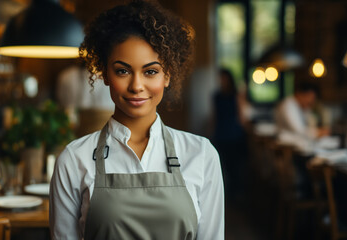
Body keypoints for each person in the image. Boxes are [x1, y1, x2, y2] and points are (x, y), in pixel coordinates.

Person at [49, 1, 224, 240]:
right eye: (123, 71)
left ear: (167, 75)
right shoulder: (73, 160)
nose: (136, 86)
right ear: (105, 74)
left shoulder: (201, 154)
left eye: (150, 71)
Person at [210, 68, 248, 201]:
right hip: (223, 133)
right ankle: (229, 194)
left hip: (233, 134)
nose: (221, 81)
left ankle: (235, 193)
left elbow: (241, 116)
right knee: (224, 166)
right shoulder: (216, 96)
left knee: (234, 166)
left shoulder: (236, 95)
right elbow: (214, 117)